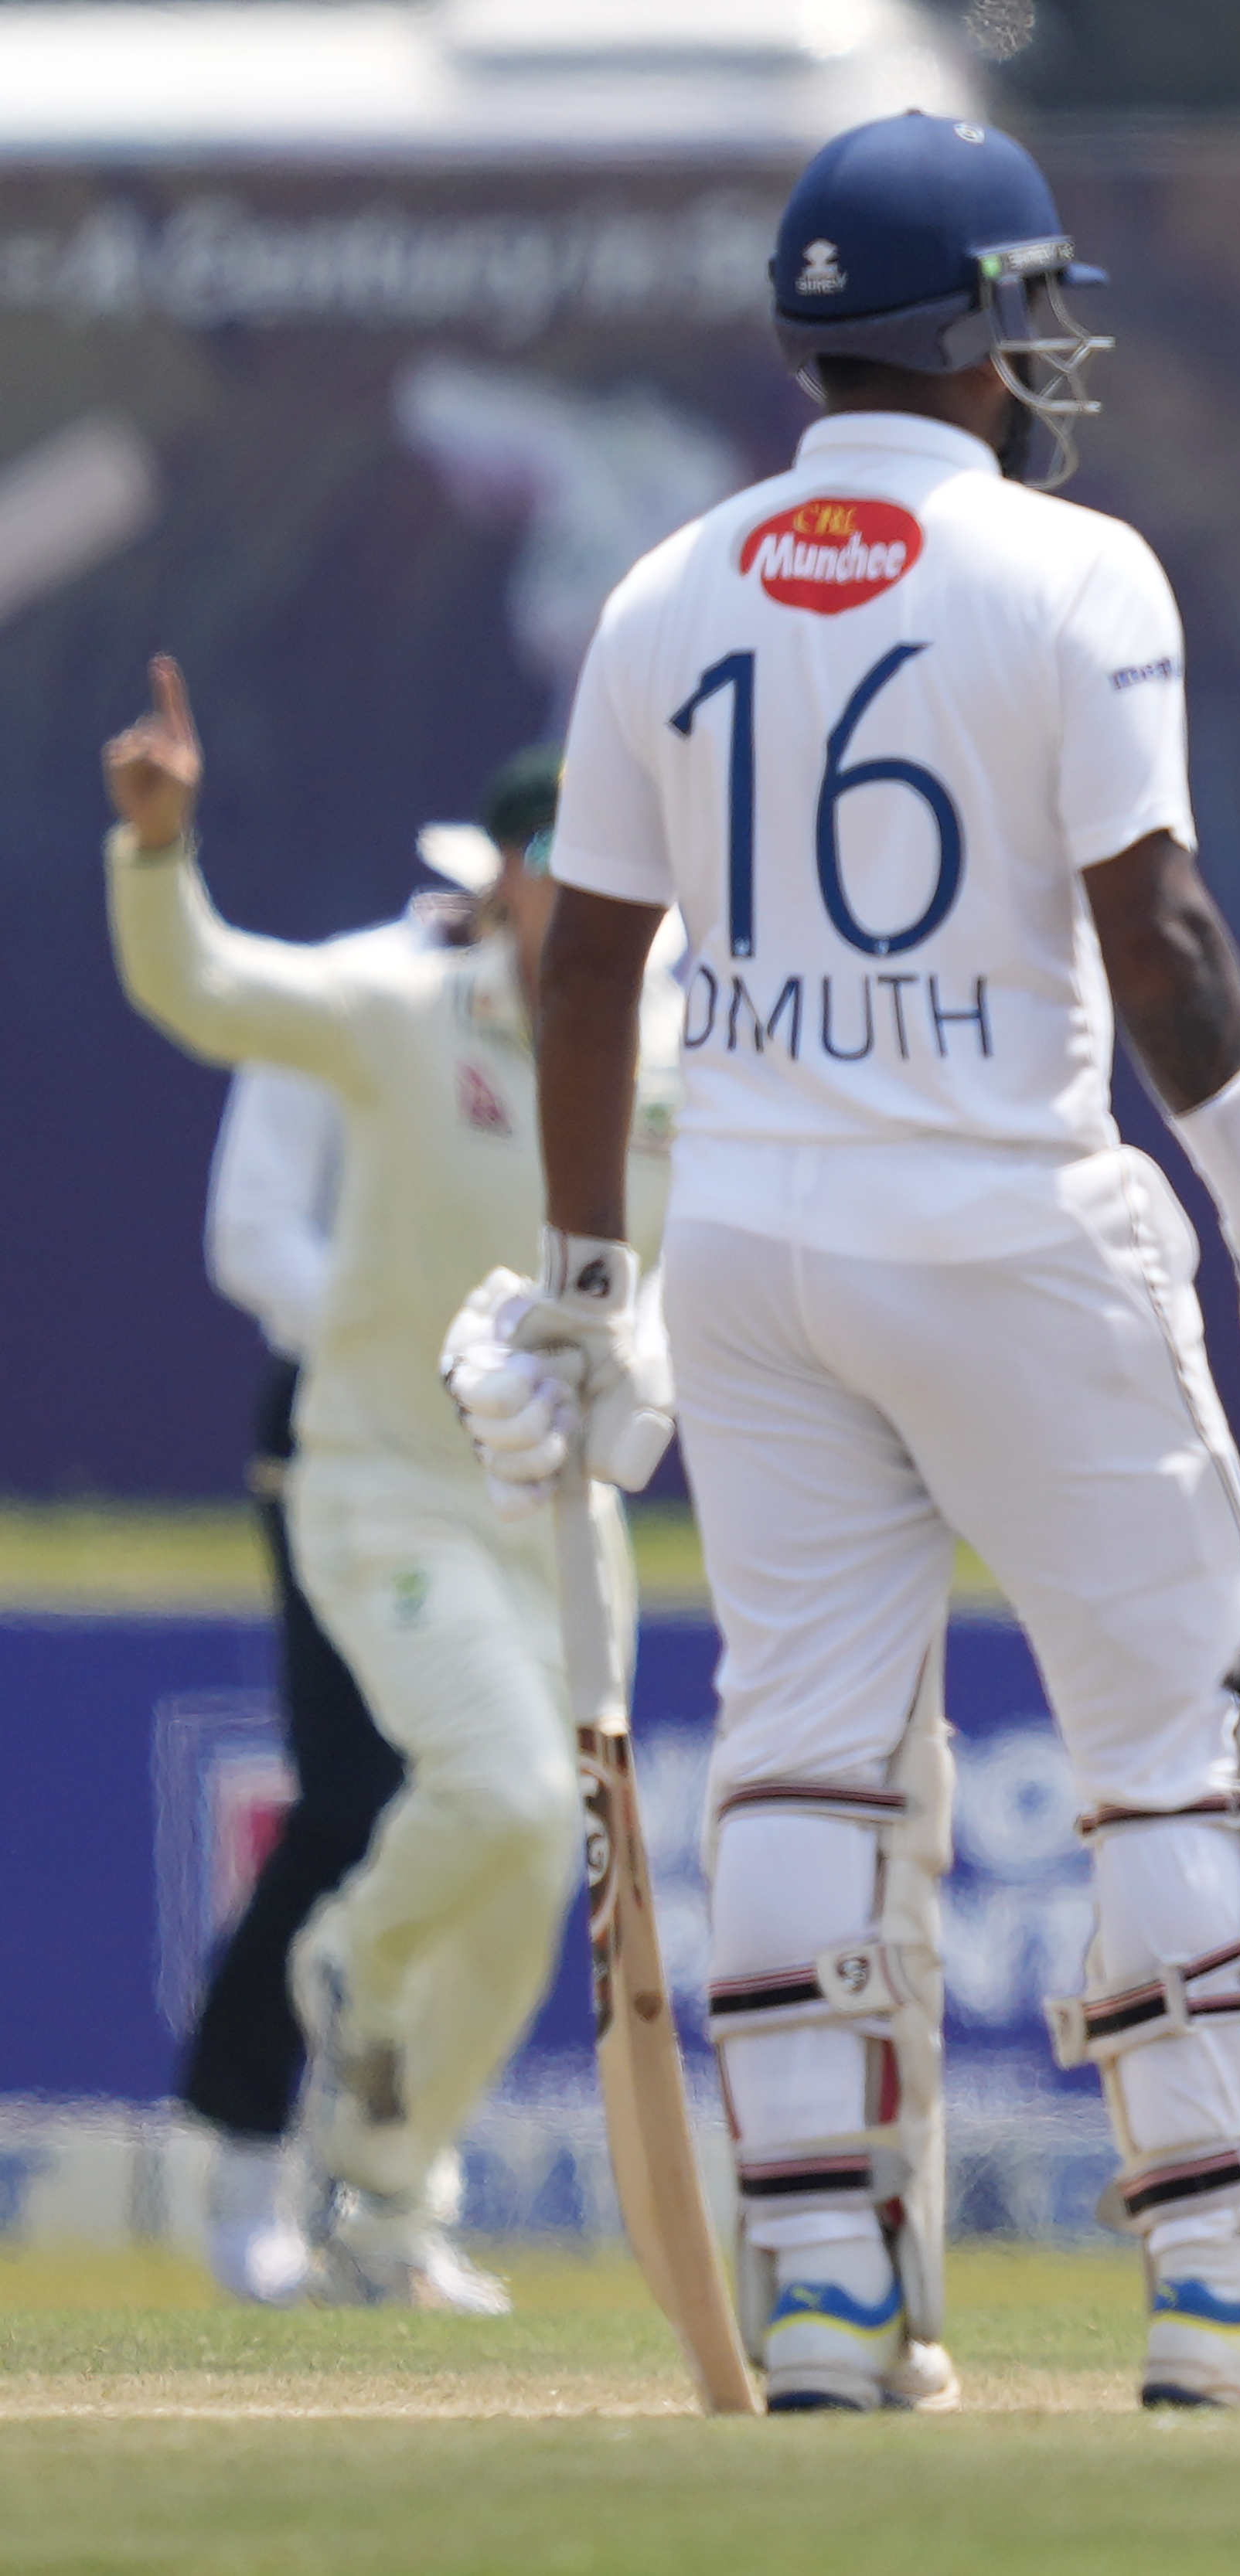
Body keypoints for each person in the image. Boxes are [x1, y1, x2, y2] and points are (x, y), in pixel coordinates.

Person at [445, 110, 1240, 2415]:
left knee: (804, 1757)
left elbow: (587, 971)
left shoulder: (662, 588)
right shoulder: (1080, 573)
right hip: (1008, 1223)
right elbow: (1161, 939)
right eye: (1031, 312)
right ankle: (1222, 2292)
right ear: (980, 331)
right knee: (1192, 1733)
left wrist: (587, 1278)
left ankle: (831, 2299)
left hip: (758, 1237)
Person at [107, 687, 678, 2311]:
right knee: (492, 1798)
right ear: (500, 880)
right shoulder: (402, 1007)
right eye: (556, 860)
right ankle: (342, 1958)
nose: (582, 890)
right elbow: (204, 982)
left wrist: (647, 1367)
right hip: (381, 1485)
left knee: (541, 1859)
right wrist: (160, 851)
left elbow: (693, 1274)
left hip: (555, 1518)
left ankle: (383, 2196)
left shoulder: (683, 1049)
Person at [179, 815, 508, 2305]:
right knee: (353, 1797)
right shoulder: (348, 996)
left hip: (504, 1447)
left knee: (485, 1810)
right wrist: (414, 1357)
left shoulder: (596, 1015)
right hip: (340, 1428)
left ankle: (388, 2198)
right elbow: (256, 1237)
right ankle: (249, 2164)